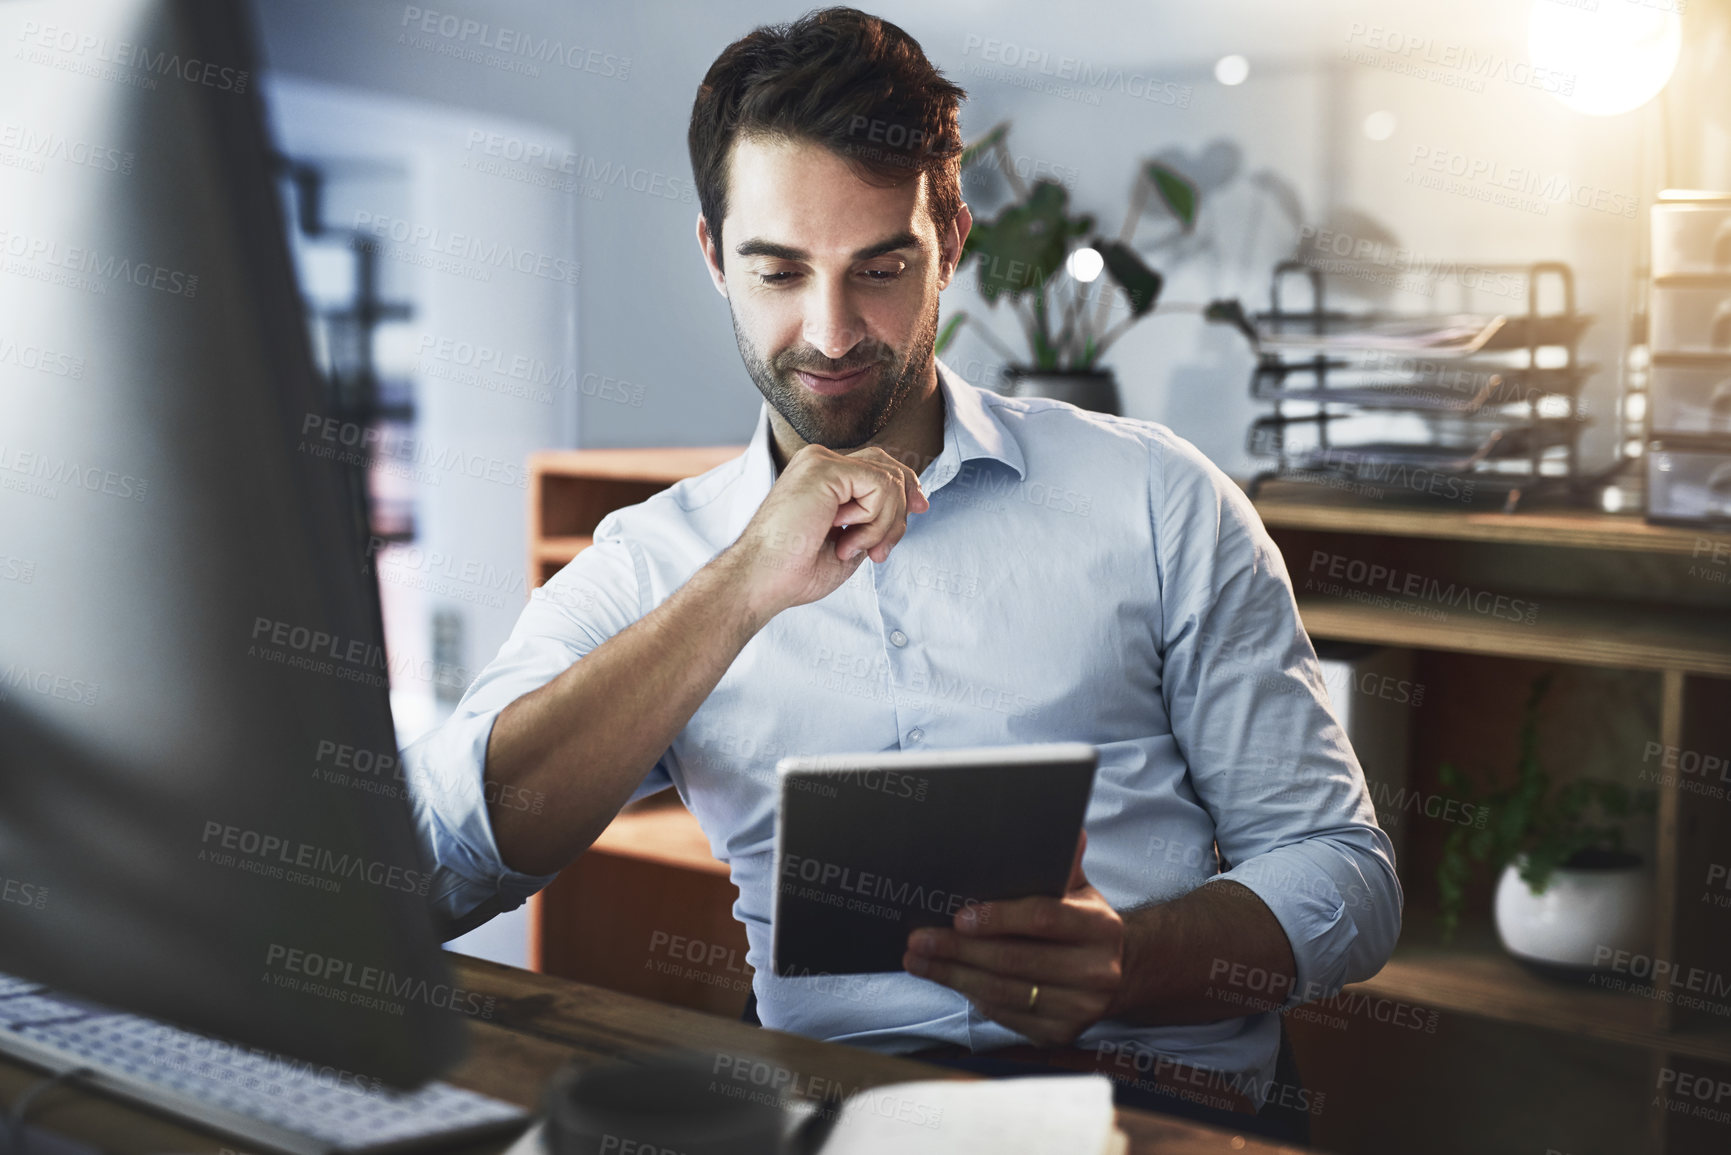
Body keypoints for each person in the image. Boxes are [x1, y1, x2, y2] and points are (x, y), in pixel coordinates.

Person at [404, 6, 1399, 1140]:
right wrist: (740, 587)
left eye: (881, 267)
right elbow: (432, 867)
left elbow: (1345, 876)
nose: (830, 333)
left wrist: (1134, 962)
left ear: (953, 242)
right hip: (841, 1104)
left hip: (1163, 1092)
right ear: (711, 257)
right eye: (777, 271)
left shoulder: (1161, 500)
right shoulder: (657, 566)